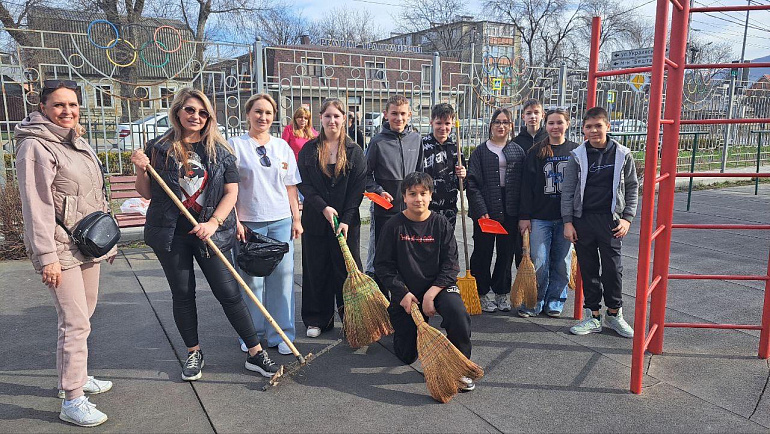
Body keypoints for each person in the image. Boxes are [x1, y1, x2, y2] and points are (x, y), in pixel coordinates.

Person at [131, 88, 280, 384]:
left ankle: (255, 353)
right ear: (178, 112)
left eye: (202, 112)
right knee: (183, 294)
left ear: (209, 116)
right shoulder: (158, 148)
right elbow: (147, 192)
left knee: (229, 293)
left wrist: (214, 222)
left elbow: (231, 192)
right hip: (172, 234)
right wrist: (140, 171)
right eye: (189, 110)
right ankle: (194, 352)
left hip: (212, 234)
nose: (195, 116)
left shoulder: (220, 150)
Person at [16, 79, 116, 427]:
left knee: (84, 317)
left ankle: (76, 376)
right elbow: (36, 207)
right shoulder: (35, 147)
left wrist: (108, 242)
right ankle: (72, 398)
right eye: (59, 105)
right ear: (43, 108)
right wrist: (47, 258)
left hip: (87, 244)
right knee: (73, 322)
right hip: (60, 248)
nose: (67, 112)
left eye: (72, 105)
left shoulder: (78, 142)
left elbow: (95, 195)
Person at [375, 172, 475, 392]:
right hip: (408, 293)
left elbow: (451, 266)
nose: (418, 199)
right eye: (412, 194)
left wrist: (431, 294)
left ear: (430, 196)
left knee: (458, 314)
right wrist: (401, 293)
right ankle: (405, 331)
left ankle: (461, 366)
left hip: (439, 288)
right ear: (404, 196)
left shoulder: (441, 224)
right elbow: (383, 265)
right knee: (406, 356)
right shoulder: (393, 226)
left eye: (423, 193)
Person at [229, 93, 302, 355]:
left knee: (283, 279)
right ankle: (253, 336)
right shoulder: (235, 145)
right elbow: (230, 188)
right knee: (252, 282)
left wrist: (296, 218)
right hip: (249, 223)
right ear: (248, 114)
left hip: (281, 220)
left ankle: (282, 334)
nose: (263, 117)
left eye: (268, 113)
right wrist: (235, 220)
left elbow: (290, 186)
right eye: (258, 111)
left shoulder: (282, 147)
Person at [562, 106, 638, 338]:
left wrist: (627, 218)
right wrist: (568, 222)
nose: (594, 130)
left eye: (598, 126)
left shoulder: (623, 154)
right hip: (583, 219)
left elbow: (633, 187)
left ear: (608, 127)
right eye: (589, 127)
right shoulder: (578, 155)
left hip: (610, 221)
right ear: (583, 129)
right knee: (588, 269)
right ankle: (592, 315)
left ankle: (614, 314)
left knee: (613, 270)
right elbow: (568, 190)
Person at [298, 99, 367, 337]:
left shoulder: (354, 151)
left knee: (346, 270)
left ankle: (351, 319)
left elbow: (358, 189)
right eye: (327, 116)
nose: (332, 121)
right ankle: (317, 318)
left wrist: (346, 219)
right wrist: (323, 207)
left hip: (346, 223)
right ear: (321, 119)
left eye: (337, 116)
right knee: (316, 268)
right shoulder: (309, 150)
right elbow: (304, 185)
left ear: (344, 119)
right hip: (316, 219)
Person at [518, 108, 580, 318]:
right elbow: (526, 187)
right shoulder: (536, 152)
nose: (555, 127)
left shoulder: (575, 151)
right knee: (540, 260)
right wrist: (524, 216)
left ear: (568, 124)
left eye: (559, 123)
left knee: (562, 262)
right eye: (551, 123)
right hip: (540, 217)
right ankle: (535, 300)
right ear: (546, 125)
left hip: (566, 219)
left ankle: (556, 300)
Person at [466, 108, 526, 313]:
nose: (501, 126)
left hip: (510, 210)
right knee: (482, 252)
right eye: (497, 122)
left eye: (506, 122)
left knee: (506, 253)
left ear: (511, 126)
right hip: (486, 210)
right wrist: (480, 209)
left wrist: (522, 213)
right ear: (490, 125)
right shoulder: (480, 152)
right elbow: (472, 183)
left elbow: (522, 185)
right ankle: (481, 293)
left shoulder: (517, 151)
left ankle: (501, 292)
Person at [365, 94, 422, 298]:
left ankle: (407, 301)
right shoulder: (377, 142)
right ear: (386, 115)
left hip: (411, 210)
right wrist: (378, 191)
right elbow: (365, 175)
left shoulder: (416, 139)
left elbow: (420, 173)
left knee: (409, 256)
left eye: (403, 114)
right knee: (384, 258)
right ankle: (383, 303)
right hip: (385, 210)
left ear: (410, 115)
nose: (399, 118)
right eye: (394, 113)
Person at [421, 103, 466, 229]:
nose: (443, 127)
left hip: (449, 208)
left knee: (447, 244)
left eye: (447, 123)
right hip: (427, 208)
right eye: (439, 123)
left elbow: (462, 186)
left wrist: (463, 175)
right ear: (431, 123)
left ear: (452, 124)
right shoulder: (422, 146)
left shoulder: (455, 148)